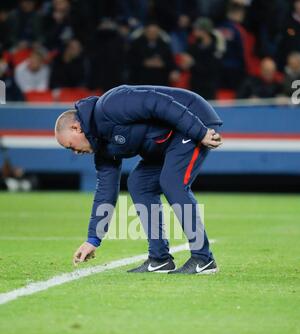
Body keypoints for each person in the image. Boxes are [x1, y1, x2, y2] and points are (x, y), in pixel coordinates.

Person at [54, 85, 223, 274]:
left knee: (172, 182)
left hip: (193, 118)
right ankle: (159, 259)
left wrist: (199, 131)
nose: (75, 152)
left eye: (70, 146)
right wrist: (93, 239)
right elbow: (105, 193)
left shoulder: (110, 105)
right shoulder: (102, 148)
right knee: (139, 183)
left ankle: (203, 258)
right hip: (167, 141)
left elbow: (156, 102)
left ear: (76, 128)